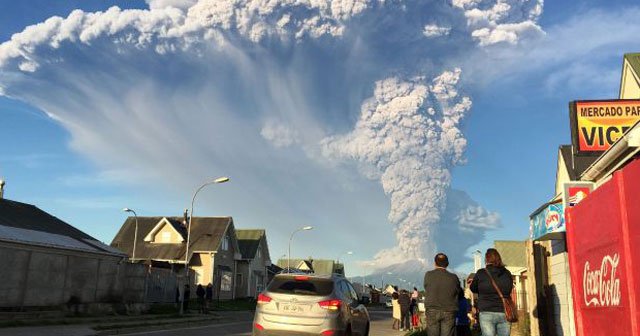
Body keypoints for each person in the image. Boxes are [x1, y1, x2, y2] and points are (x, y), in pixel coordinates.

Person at [470, 248, 514, 336]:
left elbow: (473, 288)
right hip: (504, 311)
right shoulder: (507, 273)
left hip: (486, 311)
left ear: (486, 259)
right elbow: (509, 289)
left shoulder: (481, 273)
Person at [423, 253, 461, 336]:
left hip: (432, 309)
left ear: (435, 263)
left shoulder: (428, 275)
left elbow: (426, 287)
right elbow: (458, 291)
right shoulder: (454, 277)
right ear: (447, 264)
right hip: (449, 310)